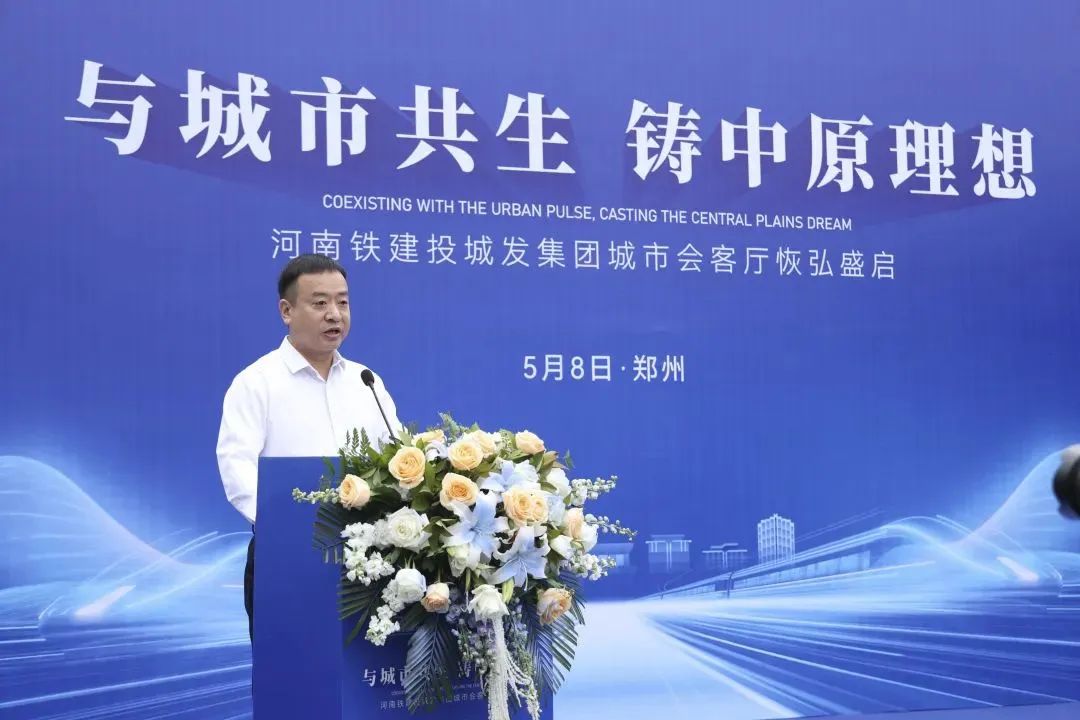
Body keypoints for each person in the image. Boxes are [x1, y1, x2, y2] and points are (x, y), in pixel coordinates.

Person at [216, 254, 401, 641]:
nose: (335, 314)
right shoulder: (257, 383)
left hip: (368, 562)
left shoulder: (366, 381)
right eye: (320, 303)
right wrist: (284, 527)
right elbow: (237, 468)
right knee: (291, 670)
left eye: (342, 302)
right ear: (287, 311)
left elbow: (397, 459)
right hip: (286, 560)